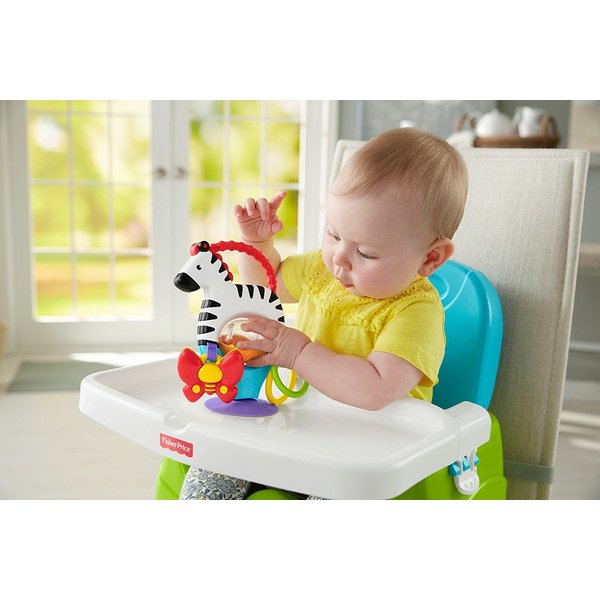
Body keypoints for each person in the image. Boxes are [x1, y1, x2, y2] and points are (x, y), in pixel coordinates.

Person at [179, 127, 469, 500]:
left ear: (430, 257)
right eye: (333, 234)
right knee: (214, 460)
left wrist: (298, 353)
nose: (339, 259)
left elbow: (376, 389)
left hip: (368, 449)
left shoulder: (416, 311)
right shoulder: (322, 269)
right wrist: (258, 244)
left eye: (365, 252)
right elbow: (264, 290)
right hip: (296, 426)